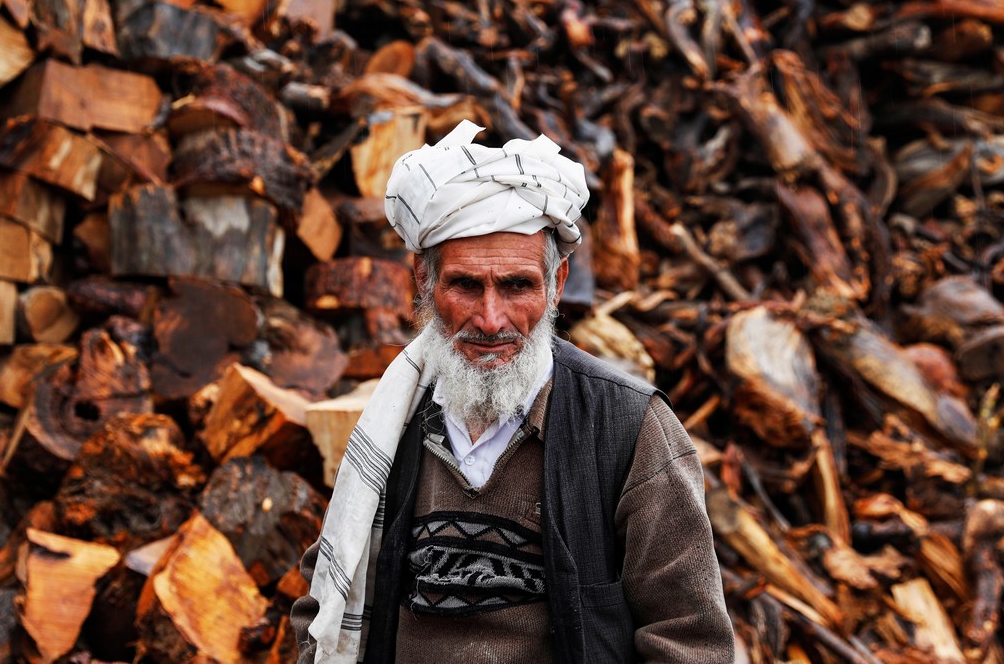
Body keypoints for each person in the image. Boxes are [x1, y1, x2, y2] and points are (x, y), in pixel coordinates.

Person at [291, 120, 734, 663]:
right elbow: (328, 590)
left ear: (557, 284)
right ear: (423, 281)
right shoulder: (393, 425)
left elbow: (691, 641)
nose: (490, 318)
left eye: (517, 285)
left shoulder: (629, 431)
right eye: (465, 285)